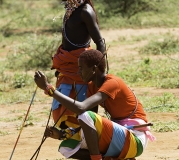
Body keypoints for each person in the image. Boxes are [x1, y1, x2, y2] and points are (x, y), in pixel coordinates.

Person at [34, 49, 156, 160]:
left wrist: (48, 89)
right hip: (119, 137)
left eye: (81, 68)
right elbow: (90, 125)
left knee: (84, 115)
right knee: (66, 148)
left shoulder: (113, 83)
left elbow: (81, 109)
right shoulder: (92, 87)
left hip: (135, 139)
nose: (79, 72)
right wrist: (63, 134)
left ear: (94, 69)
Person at [51, 0, 106, 131]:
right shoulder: (71, 8)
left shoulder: (85, 11)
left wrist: (98, 70)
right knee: (66, 105)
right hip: (67, 64)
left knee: (85, 110)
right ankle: (76, 138)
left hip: (81, 65)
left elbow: (100, 42)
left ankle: (89, 142)